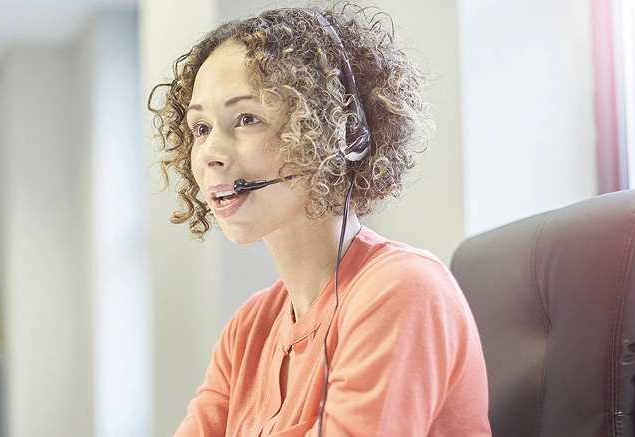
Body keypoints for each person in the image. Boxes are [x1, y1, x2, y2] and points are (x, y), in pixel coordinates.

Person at [149, 3, 491, 436]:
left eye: (246, 119)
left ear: (330, 132)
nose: (208, 154)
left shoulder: (402, 291)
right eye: (200, 128)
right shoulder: (249, 332)